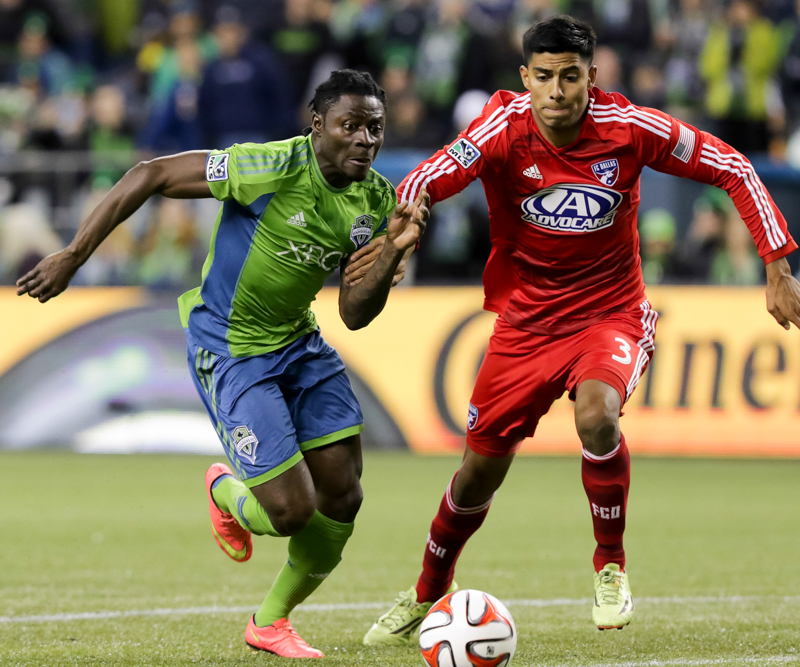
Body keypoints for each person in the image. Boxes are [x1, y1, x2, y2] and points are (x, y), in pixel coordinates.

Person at [359, 15, 800, 643]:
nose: (558, 91)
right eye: (544, 77)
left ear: (592, 77)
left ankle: (610, 566)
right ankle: (428, 590)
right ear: (525, 78)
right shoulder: (501, 127)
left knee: (597, 415)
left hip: (609, 314)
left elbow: (733, 165)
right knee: (477, 473)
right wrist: (404, 228)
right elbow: (430, 174)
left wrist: (777, 263)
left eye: (571, 77)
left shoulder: (629, 129)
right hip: (525, 326)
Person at [16, 69, 429, 659]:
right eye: (351, 126)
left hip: (300, 344)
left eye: (375, 128)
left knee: (344, 496)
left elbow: (356, 314)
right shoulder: (268, 167)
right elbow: (150, 173)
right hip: (231, 348)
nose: (365, 140)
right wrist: (74, 255)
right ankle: (225, 493)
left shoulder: (375, 201)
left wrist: (390, 253)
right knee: (291, 511)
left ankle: (270, 623)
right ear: (318, 127)